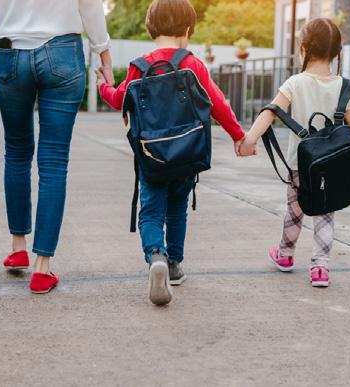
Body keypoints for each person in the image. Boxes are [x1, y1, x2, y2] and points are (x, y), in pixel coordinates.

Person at [0, 0, 113, 294]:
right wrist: (104, 54)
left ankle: (18, 247)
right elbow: (89, 5)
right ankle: (42, 267)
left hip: (10, 53)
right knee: (54, 160)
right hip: (63, 52)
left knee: (16, 152)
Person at [96, 0, 247, 305]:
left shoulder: (140, 66)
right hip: (187, 155)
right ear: (187, 30)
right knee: (177, 208)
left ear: (151, 28)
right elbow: (218, 104)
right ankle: (175, 265)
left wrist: (103, 85)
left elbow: (118, 100)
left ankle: (156, 257)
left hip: (151, 157)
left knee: (151, 211)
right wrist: (239, 137)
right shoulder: (192, 64)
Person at [239, 18, 350, 287]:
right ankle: (320, 269)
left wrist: (250, 140)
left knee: (295, 211)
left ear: (302, 49)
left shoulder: (295, 82)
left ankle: (285, 255)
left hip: (299, 164)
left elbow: (270, 110)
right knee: (326, 212)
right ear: (337, 53)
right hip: (333, 165)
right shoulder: (344, 87)